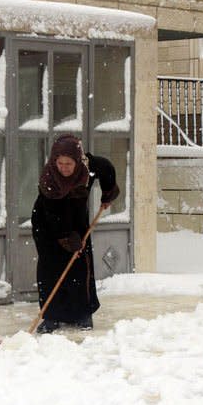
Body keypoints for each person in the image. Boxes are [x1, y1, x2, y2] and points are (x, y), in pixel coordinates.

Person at [31, 134, 120, 333]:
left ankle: (81, 314)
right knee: (51, 268)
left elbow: (107, 168)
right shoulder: (49, 181)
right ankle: (51, 316)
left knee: (80, 267)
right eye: (60, 163)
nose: (64, 167)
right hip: (48, 226)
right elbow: (54, 218)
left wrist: (108, 193)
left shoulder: (87, 167)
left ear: (77, 161)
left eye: (68, 163)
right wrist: (68, 240)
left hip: (78, 220)